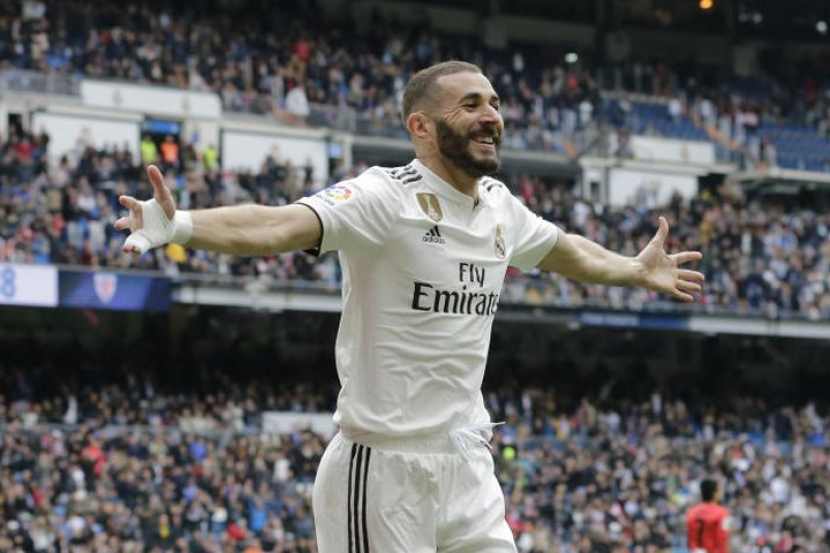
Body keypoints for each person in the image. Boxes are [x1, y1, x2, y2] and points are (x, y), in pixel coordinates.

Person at [115, 61, 704, 552]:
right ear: (421, 126)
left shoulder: (500, 205)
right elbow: (278, 224)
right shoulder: (384, 196)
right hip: (382, 470)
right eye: (470, 105)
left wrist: (633, 269)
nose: (491, 116)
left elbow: (563, 250)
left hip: (467, 461)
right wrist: (181, 225)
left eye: (495, 103)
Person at [687, 478, 730, 553]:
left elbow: (690, 537)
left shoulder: (691, 512)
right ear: (714, 494)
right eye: (719, 490)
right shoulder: (722, 513)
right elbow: (722, 538)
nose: (721, 492)